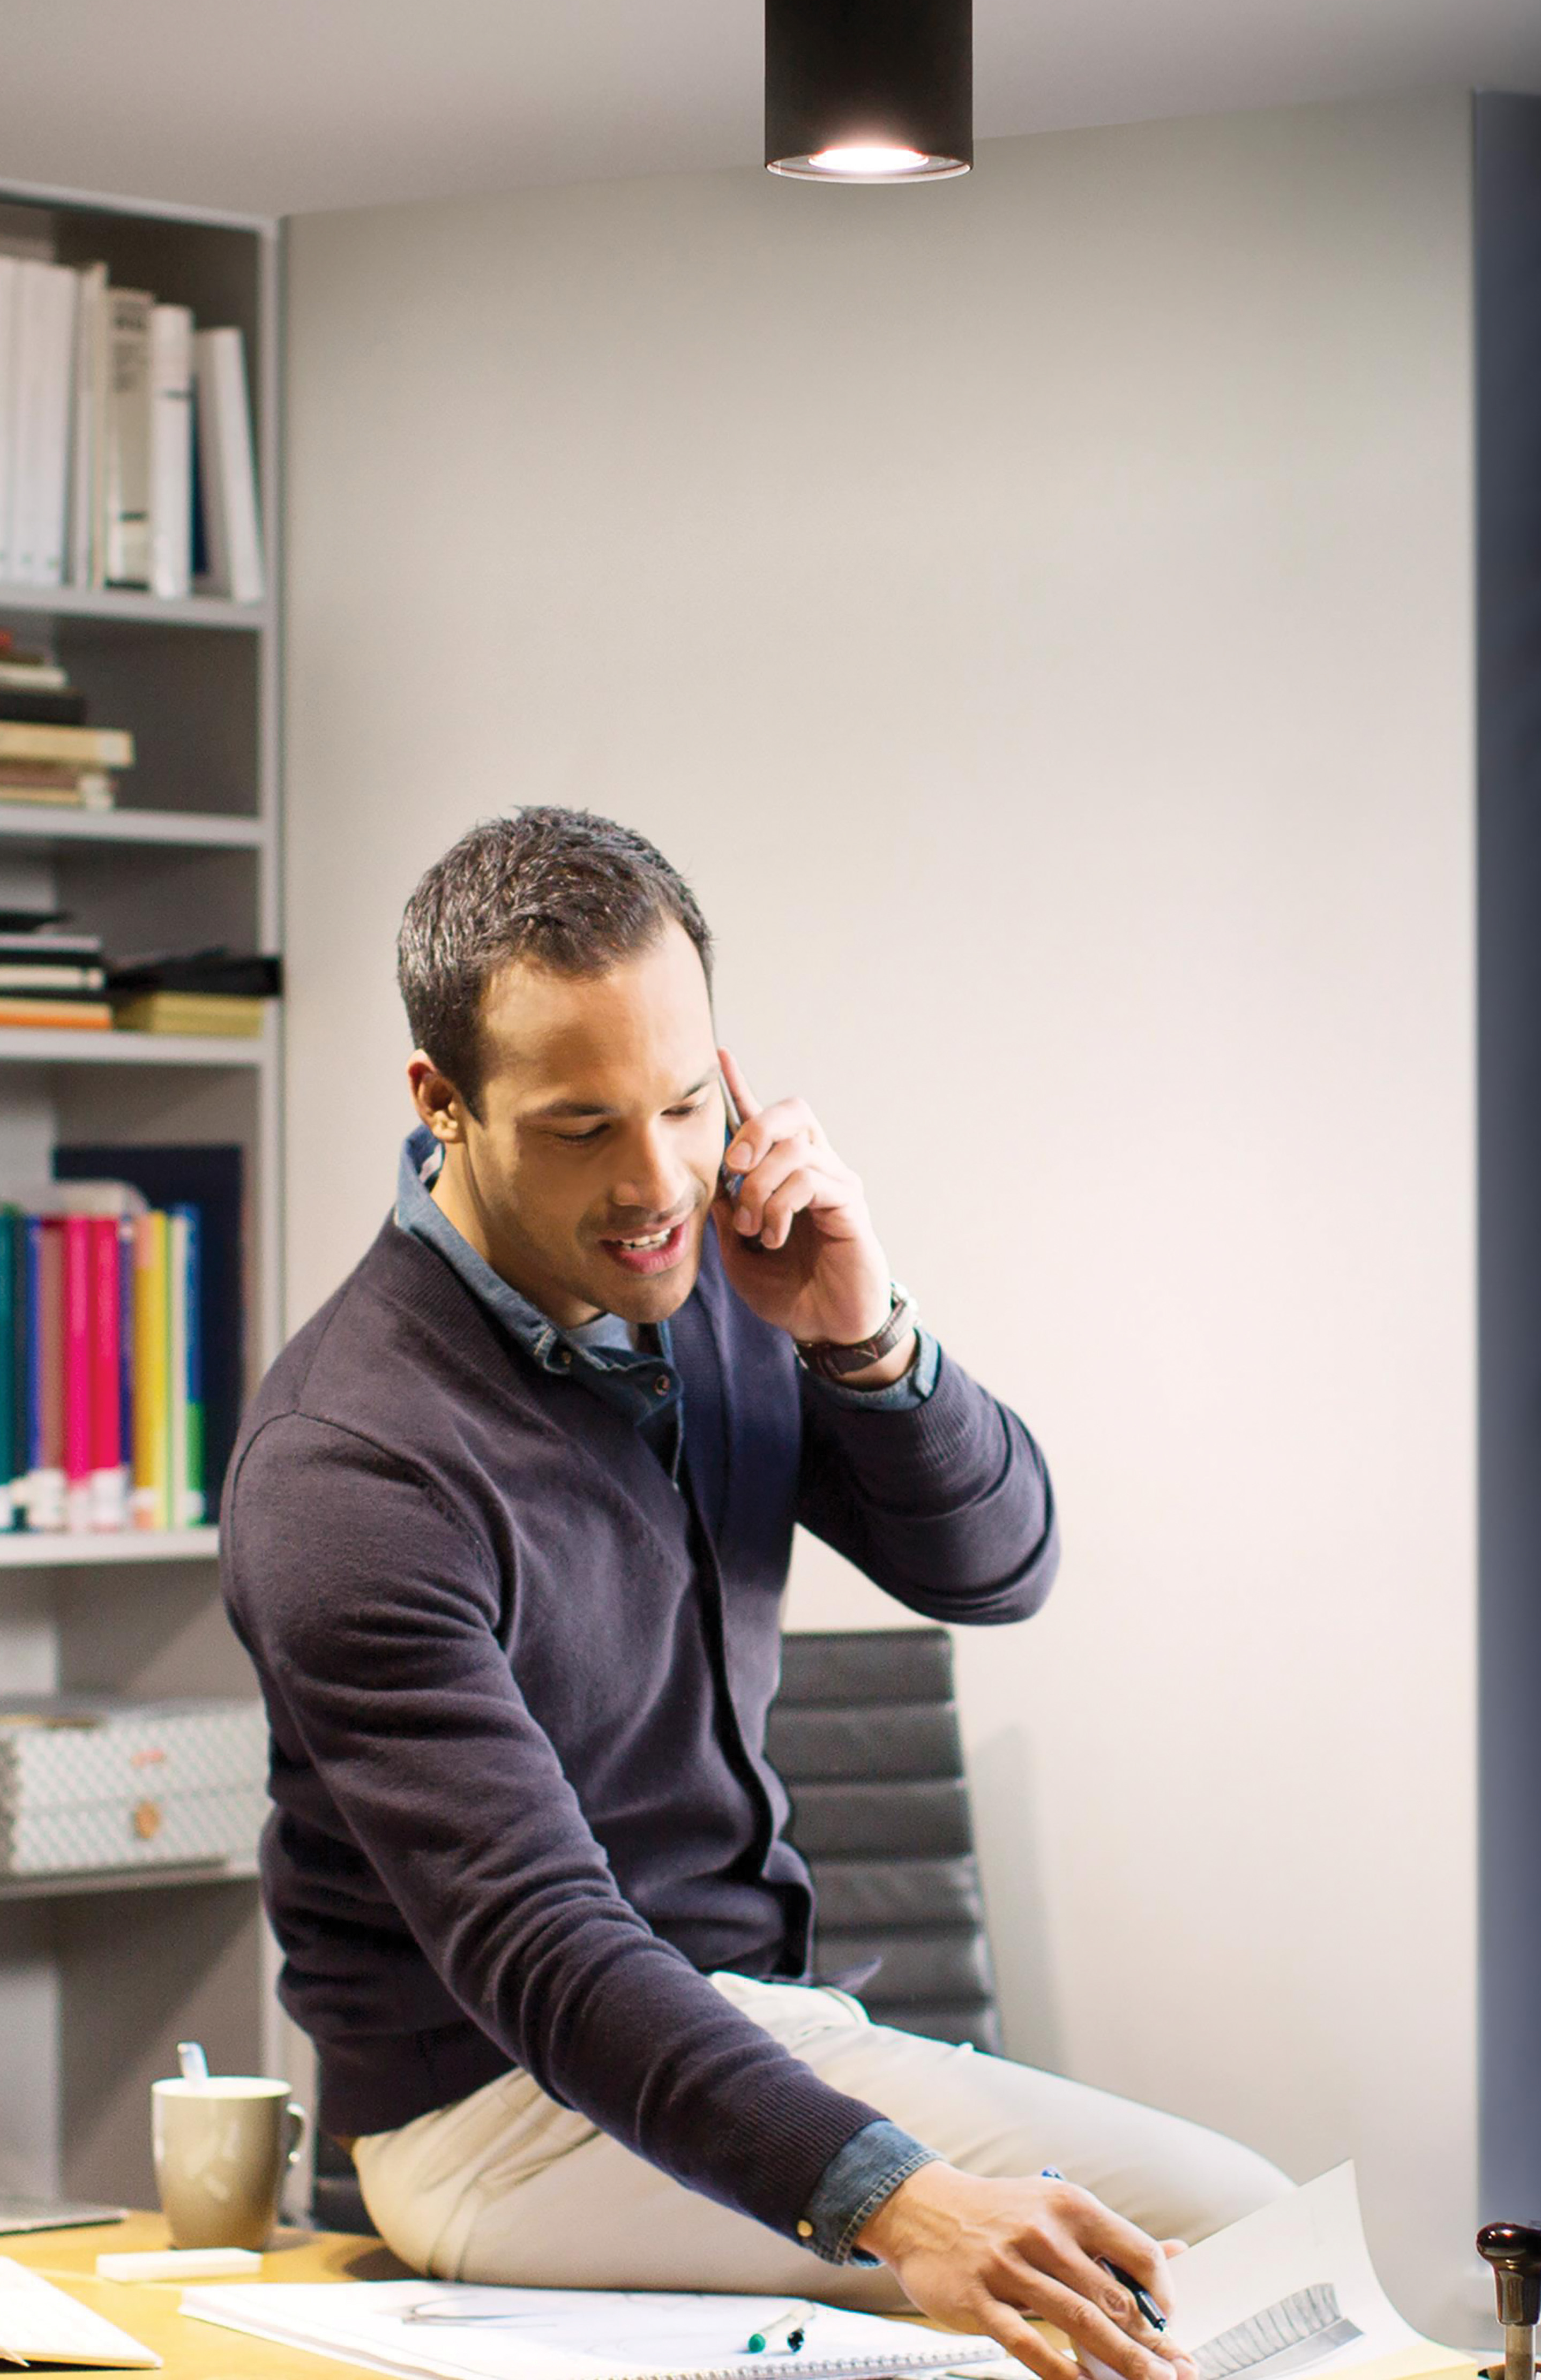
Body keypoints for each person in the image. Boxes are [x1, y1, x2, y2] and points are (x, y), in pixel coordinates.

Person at [221, 808, 1285, 2380]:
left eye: (684, 1104)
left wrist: (868, 1340)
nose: (657, 1182)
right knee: (1222, 2243)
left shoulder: (718, 1276)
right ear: (443, 1102)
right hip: (499, 2108)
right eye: (583, 1127)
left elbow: (998, 1571)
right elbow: (541, 1945)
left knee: (1203, 2265)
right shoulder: (350, 1466)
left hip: (752, 2029)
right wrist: (903, 2203)